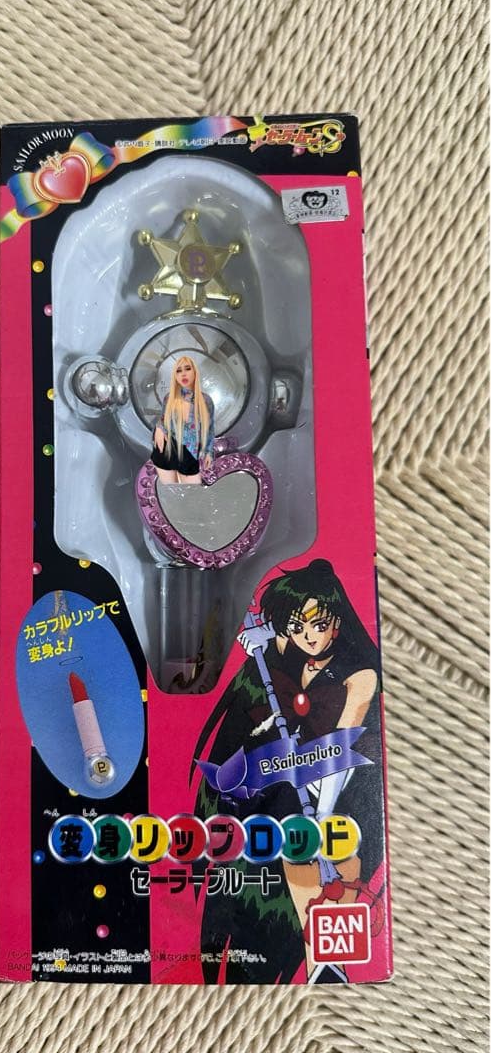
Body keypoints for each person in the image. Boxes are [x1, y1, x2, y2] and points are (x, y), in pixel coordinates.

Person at [190, 558, 384, 983]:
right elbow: (266, 635)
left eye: (318, 624)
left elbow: (343, 744)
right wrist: (258, 638)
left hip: (343, 782)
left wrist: (325, 810)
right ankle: (319, 963)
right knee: (299, 863)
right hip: (294, 781)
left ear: (337, 621)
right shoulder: (294, 651)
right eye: (297, 627)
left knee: (336, 862)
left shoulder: (361, 673)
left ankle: (331, 963)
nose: (308, 636)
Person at [151, 355, 214, 484]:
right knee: (170, 491)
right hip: (167, 449)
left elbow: (210, 428)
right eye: (178, 371)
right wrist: (159, 428)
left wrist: (209, 452)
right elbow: (163, 419)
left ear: (195, 371)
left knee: (193, 493)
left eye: (187, 369)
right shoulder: (169, 398)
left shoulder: (205, 401)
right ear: (175, 376)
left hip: (190, 453)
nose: (183, 374)